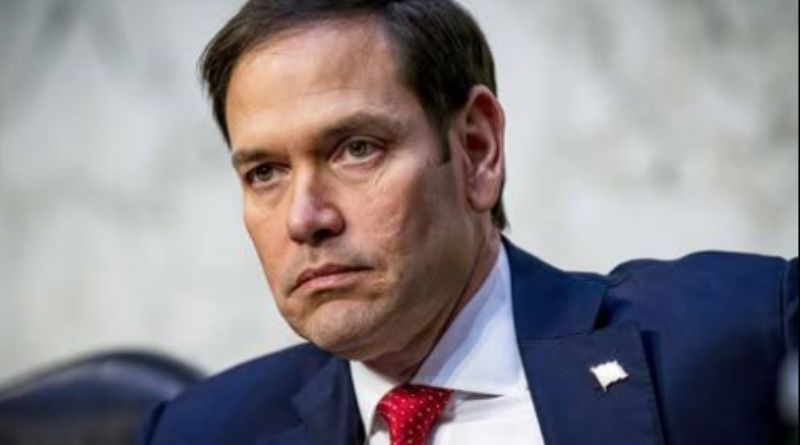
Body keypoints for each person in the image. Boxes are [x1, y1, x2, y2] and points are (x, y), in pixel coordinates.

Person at [137, 1, 798, 444]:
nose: (304, 218)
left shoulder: (741, 337)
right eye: (265, 172)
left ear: (478, 150)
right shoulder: (200, 432)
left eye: (356, 149)